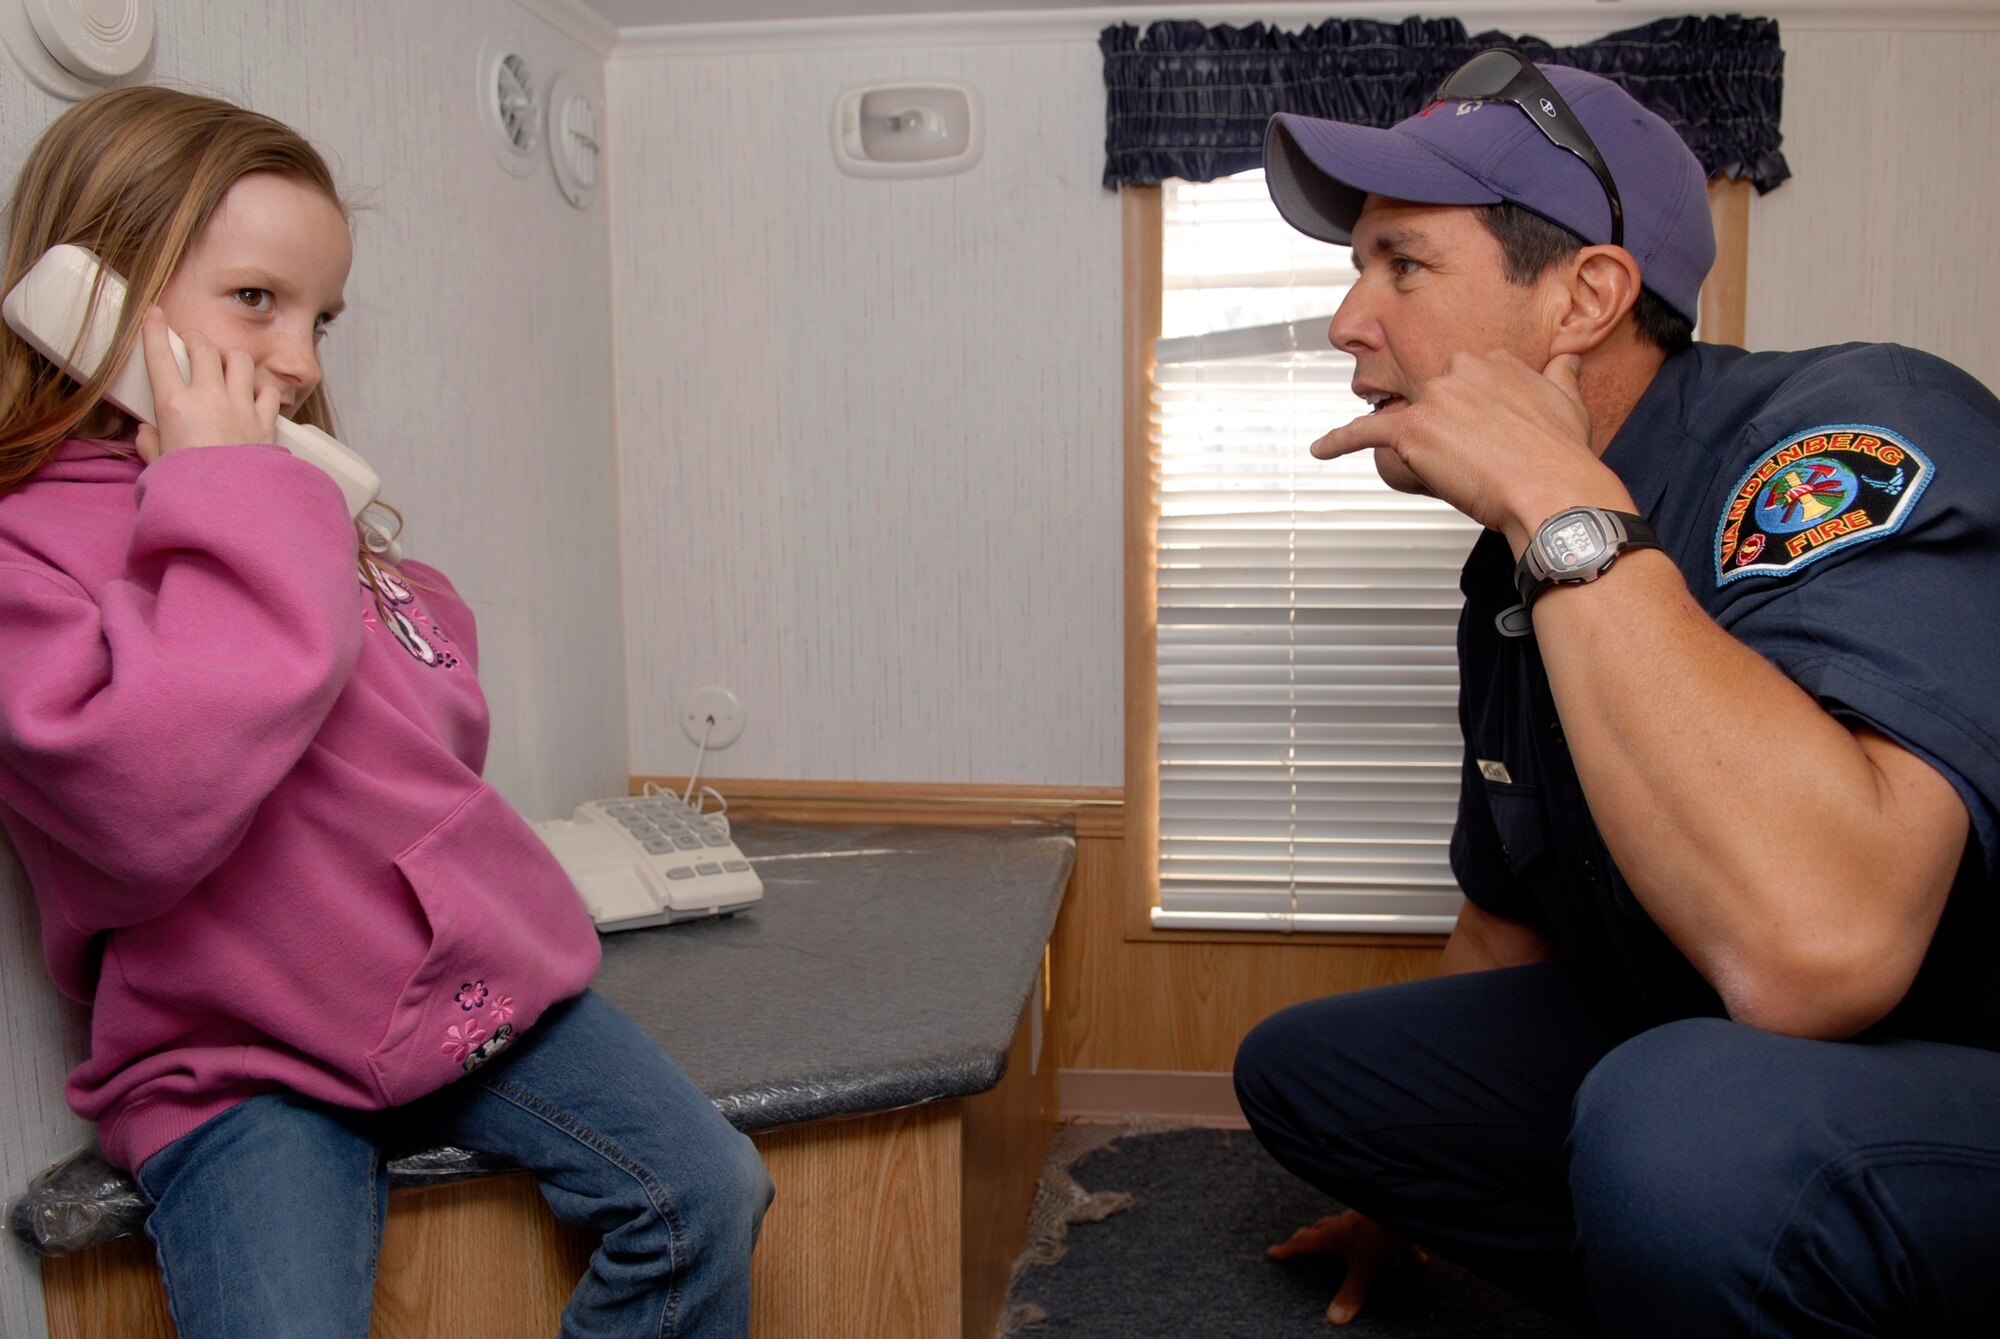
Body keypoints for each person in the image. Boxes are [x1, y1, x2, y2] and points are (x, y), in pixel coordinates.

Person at [1231, 52, 2000, 1337]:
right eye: (1354, 266)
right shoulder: (1507, 574)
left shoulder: (1844, 435)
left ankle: (1722, 1231)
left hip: (1949, 1066)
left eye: (1400, 265)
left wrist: (1559, 503)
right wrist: (1405, 1176)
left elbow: (1822, 951)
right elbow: (1508, 919)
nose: (1347, 322)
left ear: (1586, 295)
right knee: (1311, 1076)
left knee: (1687, 1124)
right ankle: (1710, 1271)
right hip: (1695, 1043)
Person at [0, 87, 771, 1338]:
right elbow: (144, 803)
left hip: (471, 992)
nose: (301, 364)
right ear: (88, 295)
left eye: (320, 319)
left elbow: (438, 734)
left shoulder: (303, 510)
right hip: (235, 1058)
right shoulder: (30, 554)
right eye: (257, 301)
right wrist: (220, 503)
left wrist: (303, 526)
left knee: (705, 1193)